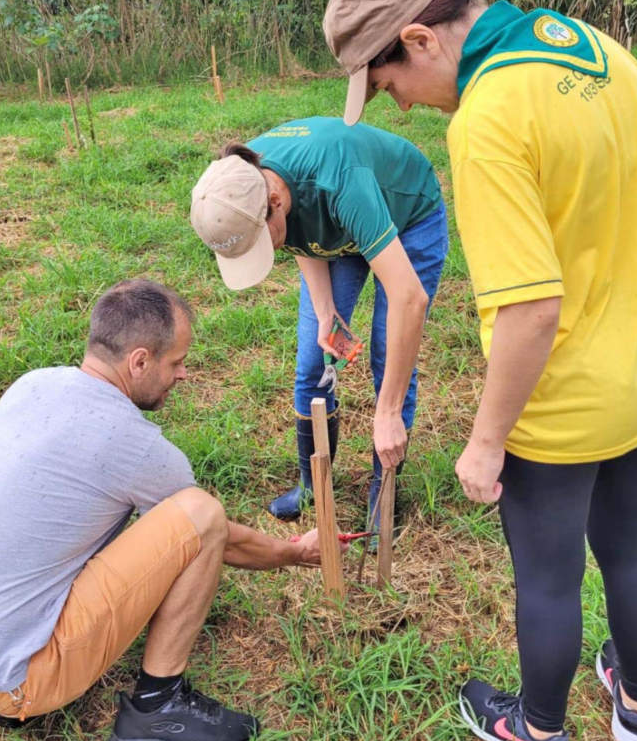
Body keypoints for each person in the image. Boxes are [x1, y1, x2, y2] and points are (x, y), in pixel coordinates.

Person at [324, 0, 637, 741]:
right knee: (633, 543)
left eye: (389, 85)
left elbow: (533, 310)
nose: (404, 106)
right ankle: (635, 706)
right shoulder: (590, 46)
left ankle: (539, 730)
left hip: (566, 395)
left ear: (421, 40)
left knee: (548, 575)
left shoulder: (489, 116)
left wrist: (487, 438)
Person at [0, 280, 338, 741]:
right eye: (176, 362)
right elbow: (217, 537)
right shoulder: (133, 445)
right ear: (139, 361)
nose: (183, 374)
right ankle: (157, 706)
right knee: (200, 514)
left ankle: (21, 671)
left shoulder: (34, 384)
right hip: (18, 680)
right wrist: (295, 552)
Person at [189, 116, 447, 538]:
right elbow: (300, 235)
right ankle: (313, 485)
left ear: (274, 199)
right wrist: (325, 309)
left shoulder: (336, 181)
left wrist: (385, 413)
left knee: (389, 355)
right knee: (312, 362)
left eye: (260, 242)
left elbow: (409, 298)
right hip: (338, 221)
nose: (265, 251)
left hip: (404, 215)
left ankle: (384, 491)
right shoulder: (243, 182)